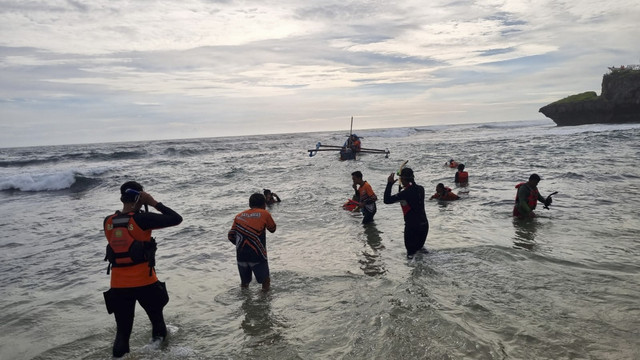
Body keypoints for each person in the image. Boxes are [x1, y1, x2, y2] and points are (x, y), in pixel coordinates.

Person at [103, 181, 183, 358]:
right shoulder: (142, 219)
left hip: (118, 286)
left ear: (122, 197)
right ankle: (159, 354)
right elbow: (176, 218)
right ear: (140, 197)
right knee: (157, 322)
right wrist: (153, 203)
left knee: (122, 333)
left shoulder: (108, 221)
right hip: (145, 282)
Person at [228, 193, 277, 291]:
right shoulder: (265, 213)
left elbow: (230, 236)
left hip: (241, 254)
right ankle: (264, 303)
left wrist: (241, 245)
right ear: (264, 204)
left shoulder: (238, 216)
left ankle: (246, 302)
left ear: (249, 204)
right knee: (265, 282)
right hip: (257, 254)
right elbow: (272, 229)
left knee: (244, 284)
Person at [383, 167, 429, 259]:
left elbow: (387, 200)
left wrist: (389, 184)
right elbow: (410, 194)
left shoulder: (405, 193)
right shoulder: (421, 189)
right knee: (420, 251)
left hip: (412, 227)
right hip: (424, 225)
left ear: (403, 179)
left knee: (411, 255)